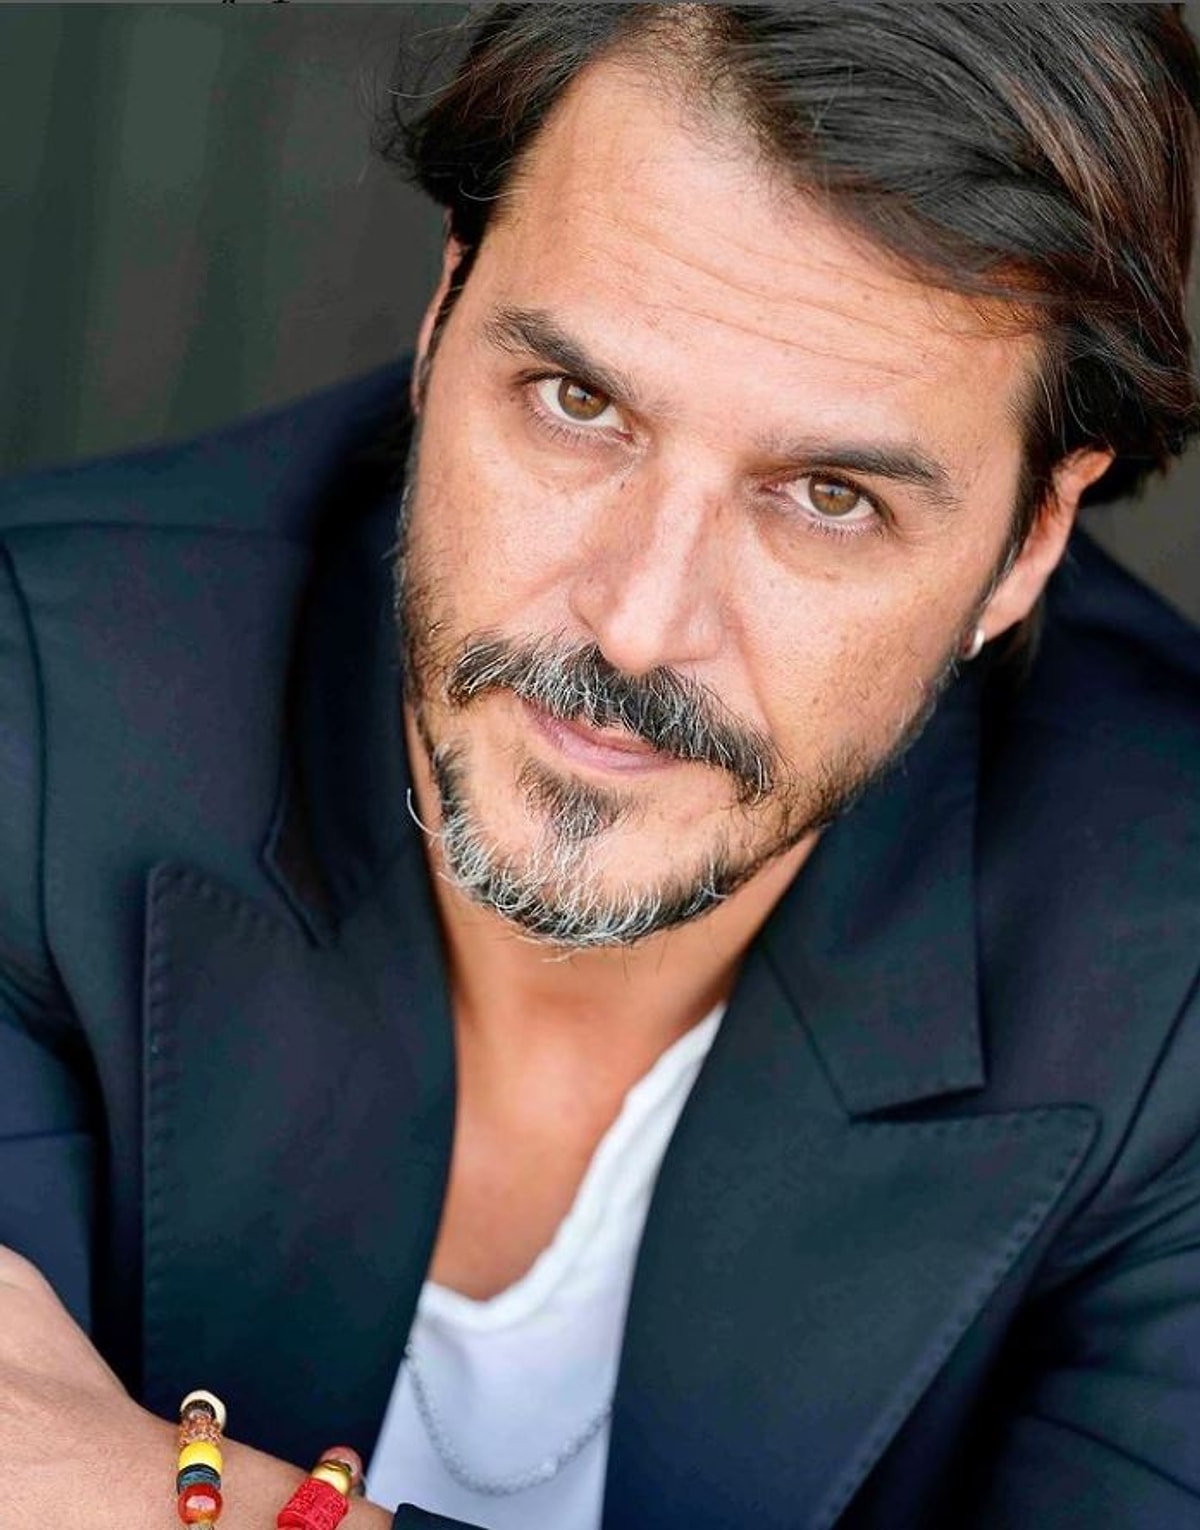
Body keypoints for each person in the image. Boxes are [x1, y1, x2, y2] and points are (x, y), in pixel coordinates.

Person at [1, 3, 1199, 1526]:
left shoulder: (1168, 973)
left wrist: (159, 1493)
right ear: (444, 311)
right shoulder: (41, 703)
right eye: (581, 404)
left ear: (1029, 542)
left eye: (829, 495)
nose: (637, 624)